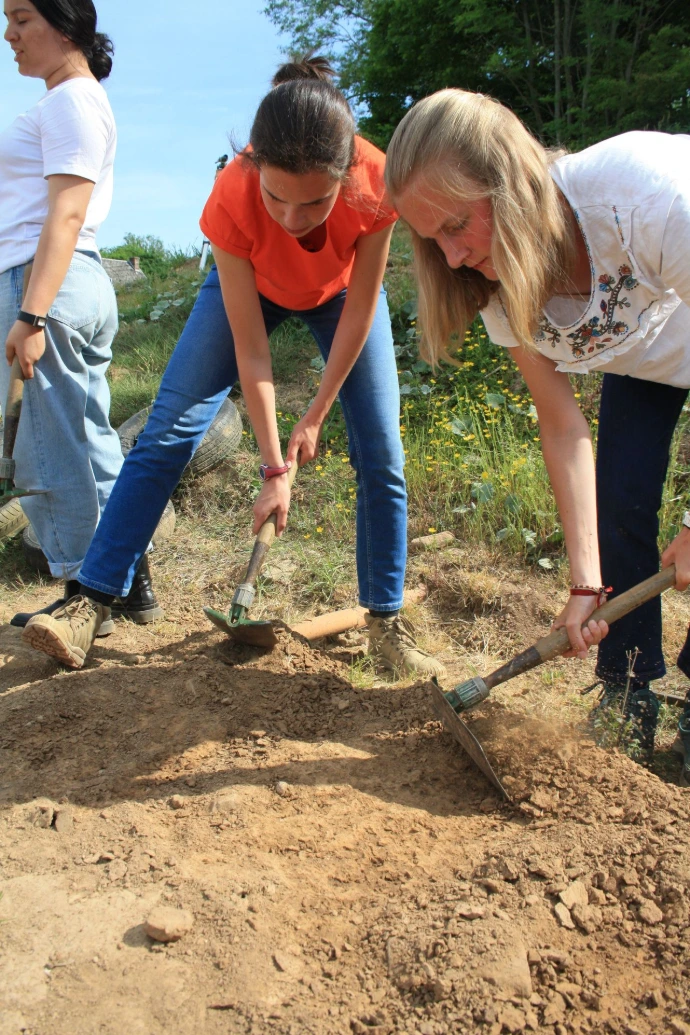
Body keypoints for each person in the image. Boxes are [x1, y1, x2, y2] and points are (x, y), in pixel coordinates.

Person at [22, 56, 445, 681]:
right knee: (167, 428)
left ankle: (385, 622)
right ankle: (91, 600)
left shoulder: (376, 179)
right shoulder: (233, 195)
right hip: (248, 289)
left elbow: (360, 316)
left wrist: (317, 414)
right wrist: (276, 466)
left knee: (381, 450)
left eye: (315, 203)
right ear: (253, 168)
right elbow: (253, 352)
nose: (292, 219)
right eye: (277, 197)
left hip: (343, 298)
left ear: (346, 174)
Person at [385, 88, 690, 772]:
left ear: (512, 181)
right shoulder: (495, 280)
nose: (453, 256)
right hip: (646, 358)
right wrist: (587, 581)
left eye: (458, 225)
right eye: (432, 237)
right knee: (620, 505)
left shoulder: (646, 198)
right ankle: (628, 689)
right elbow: (562, 425)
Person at [1, 0, 161, 631]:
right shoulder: (75, 100)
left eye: (21, 19)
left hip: (46, 283)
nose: (8, 34)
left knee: (49, 449)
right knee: (90, 439)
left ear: (65, 25)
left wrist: (31, 314)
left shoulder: (68, 100)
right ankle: (128, 581)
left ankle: (79, 597)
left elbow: (64, 214)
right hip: (76, 281)